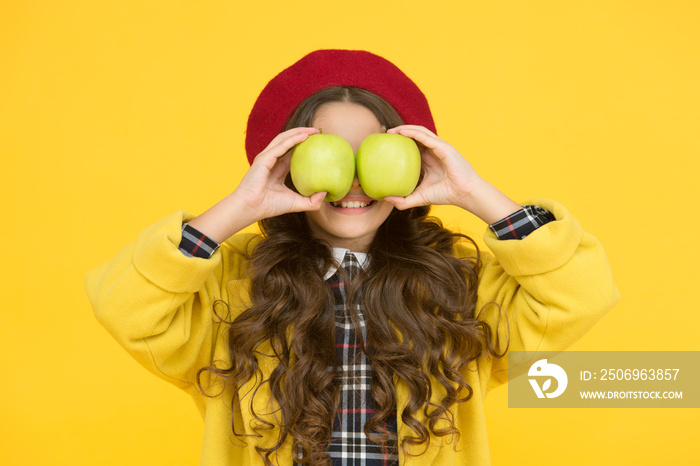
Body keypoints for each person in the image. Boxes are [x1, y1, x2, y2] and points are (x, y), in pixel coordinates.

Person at [85, 49, 620, 465]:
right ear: (285, 164)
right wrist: (237, 208)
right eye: (331, 153)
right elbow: (125, 306)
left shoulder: (459, 286)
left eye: (375, 154)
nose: (355, 182)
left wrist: (475, 193)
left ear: (414, 159)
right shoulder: (233, 286)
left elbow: (581, 292)